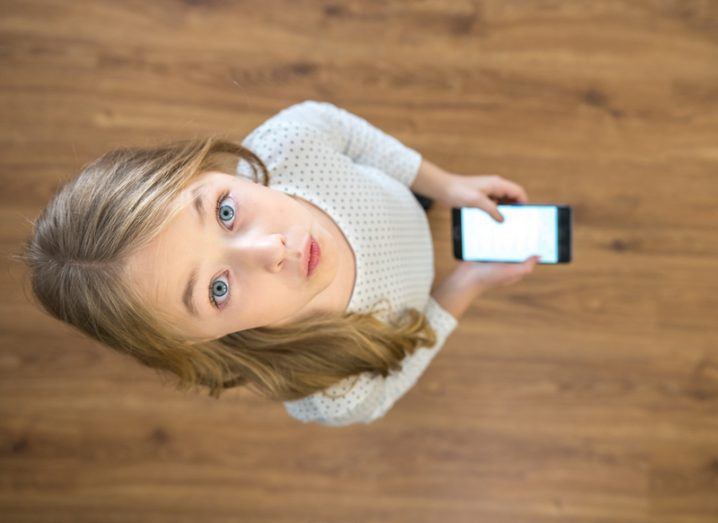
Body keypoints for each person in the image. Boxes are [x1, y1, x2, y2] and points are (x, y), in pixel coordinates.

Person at [18, 100, 538, 426]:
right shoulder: (330, 389)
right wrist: (466, 283)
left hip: (399, 201)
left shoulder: (294, 144)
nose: (270, 250)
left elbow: (348, 133)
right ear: (196, 341)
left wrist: (443, 185)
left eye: (224, 211)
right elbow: (395, 375)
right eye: (217, 290)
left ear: (206, 169)